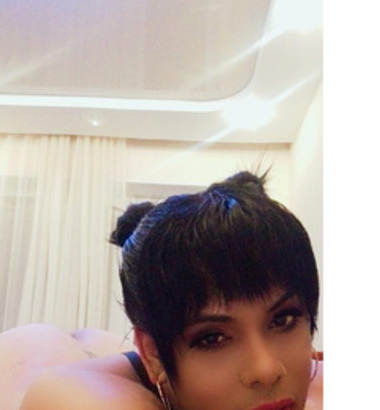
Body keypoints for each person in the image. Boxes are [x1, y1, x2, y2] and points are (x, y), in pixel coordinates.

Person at [17, 170, 322, 410]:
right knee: (54, 337)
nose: (267, 370)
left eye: (283, 320)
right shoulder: (77, 395)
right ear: (152, 355)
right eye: (212, 338)